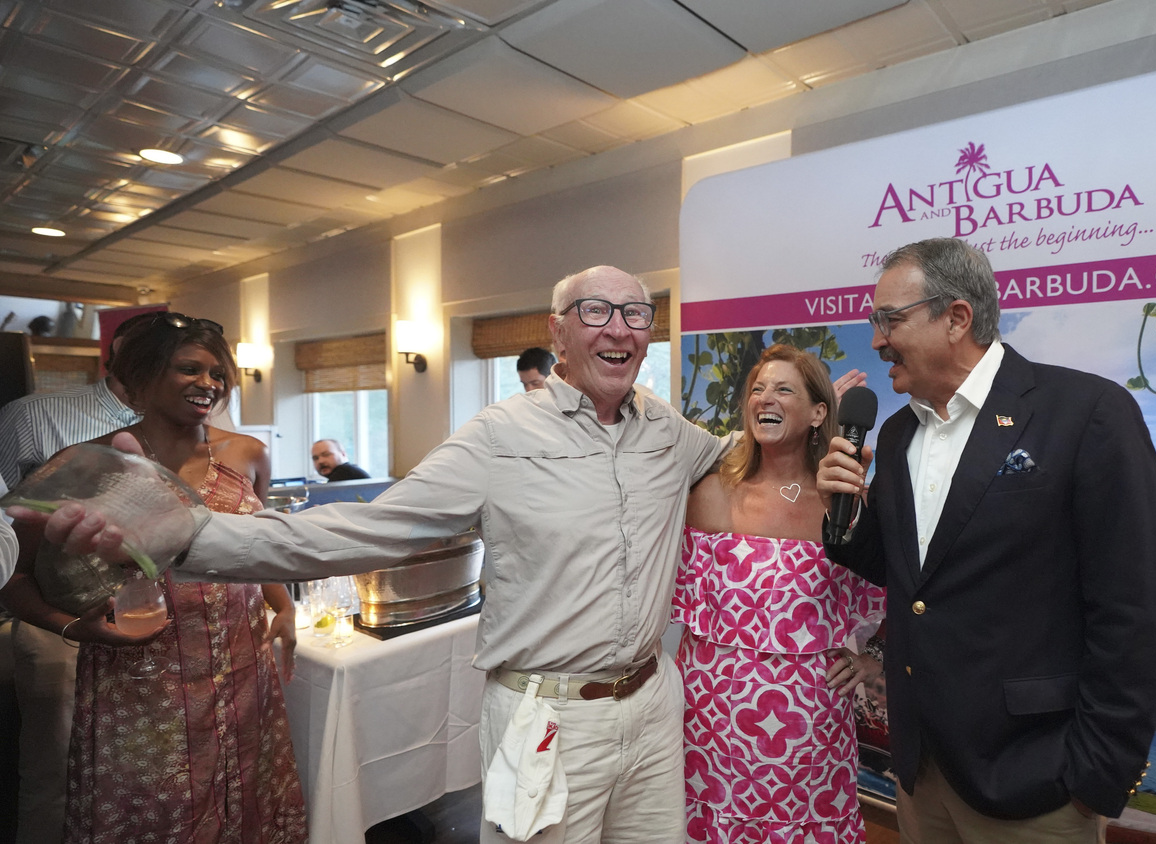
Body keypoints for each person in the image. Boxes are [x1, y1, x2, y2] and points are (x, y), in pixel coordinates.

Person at [15, 266, 730, 844]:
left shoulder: (665, 429)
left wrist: (818, 440)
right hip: (546, 716)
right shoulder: (499, 436)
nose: (619, 328)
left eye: (637, 314)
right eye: (596, 311)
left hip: (652, 700)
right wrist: (186, 536)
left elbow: (743, 467)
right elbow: (360, 530)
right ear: (558, 334)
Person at [816, 237, 1156, 843]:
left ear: (956, 317)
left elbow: (1133, 608)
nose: (876, 340)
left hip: (1034, 781)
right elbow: (905, 574)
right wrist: (842, 512)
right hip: (920, 770)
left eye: (889, 320)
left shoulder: (1086, 412)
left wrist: (1095, 776)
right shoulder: (899, 433)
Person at [0, 313, 307, 843]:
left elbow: (257, 545)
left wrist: (284, 605)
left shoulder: (247, 454)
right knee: (155, 812)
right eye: (189, 368)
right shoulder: (87, 464)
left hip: (239, 667)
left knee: (248, 799)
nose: (208, 384)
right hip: (140, 681)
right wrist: (74, 627)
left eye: (218, 373)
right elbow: (15, 577)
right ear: (140, 376)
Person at [674, 345, 885, 843]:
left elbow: (899, 588)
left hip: (810, 726)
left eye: (783, 389)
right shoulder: (710, 492)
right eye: (758, 389)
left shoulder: (847, 501)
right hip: (711, 725)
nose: (764, 397)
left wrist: (873, 656)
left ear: (818, 413)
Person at [0, 311, 152, 844]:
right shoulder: (36, 416)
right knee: (55, 772)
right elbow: (7, 527)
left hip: (151, 631)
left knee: (141, 771)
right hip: (57, 624)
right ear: (122, 354)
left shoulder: (195, 434)